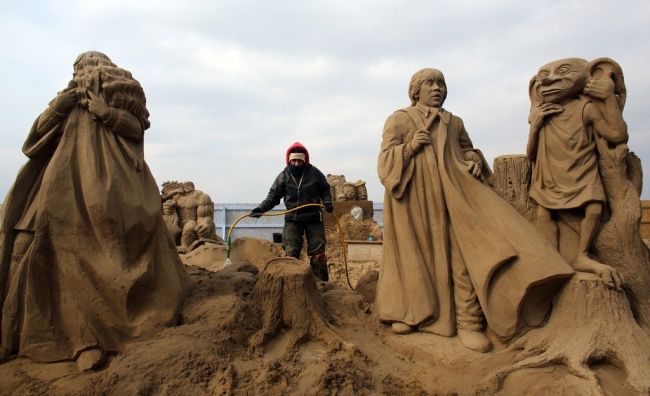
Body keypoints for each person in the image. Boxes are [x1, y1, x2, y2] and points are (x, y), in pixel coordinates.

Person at [0, 51, 188, 367]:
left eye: (87, 67)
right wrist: (61, 105)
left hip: (110, 191)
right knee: (25, 246)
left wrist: (105, 112)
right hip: (59, 189)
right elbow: (33, 141)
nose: (82, 72)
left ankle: (91, 338)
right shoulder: (67, 102)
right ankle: (15, 334)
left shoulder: (115, 97)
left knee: (99, 254)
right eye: (78, 68)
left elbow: (135, 129)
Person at [377, 68, 573, 352]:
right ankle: (412, 315)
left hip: (456, 199)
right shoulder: (399, 119)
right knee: (414, 259)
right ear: (415, 91)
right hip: (413, 200)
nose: (437, 89)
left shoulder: (454, 122)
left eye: (441, 84)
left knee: (462, 257)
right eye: (430, 83)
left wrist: (474, 161)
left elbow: (467, 150)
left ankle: (469, 323)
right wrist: (409, 148)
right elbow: (384, 163)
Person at [527, 58, 625, 289]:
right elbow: (530, 154)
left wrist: (610, 98)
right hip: (550, 178)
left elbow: (617, 135)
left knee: (593, 208)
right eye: (543, 75)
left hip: (583, 173)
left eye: (562, 72)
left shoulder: (586, 108)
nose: (549, 79)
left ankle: (581, 255)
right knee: (544, 213)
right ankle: (552, 257)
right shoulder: (545, 114)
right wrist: (535, 125)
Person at [251, 142, 333, 281]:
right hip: (293, 218)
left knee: (319, 254)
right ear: (289, 160)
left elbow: (325, 189)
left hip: (313, 217)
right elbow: (273, 197)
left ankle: (322, 285)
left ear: (304, 160)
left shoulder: (314, 173)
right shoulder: (284, 176)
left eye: (299, 160)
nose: (296, 163)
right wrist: (261, 209)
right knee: (290, 254)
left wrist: (327, 202)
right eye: (293, 160)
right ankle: (292, 284)